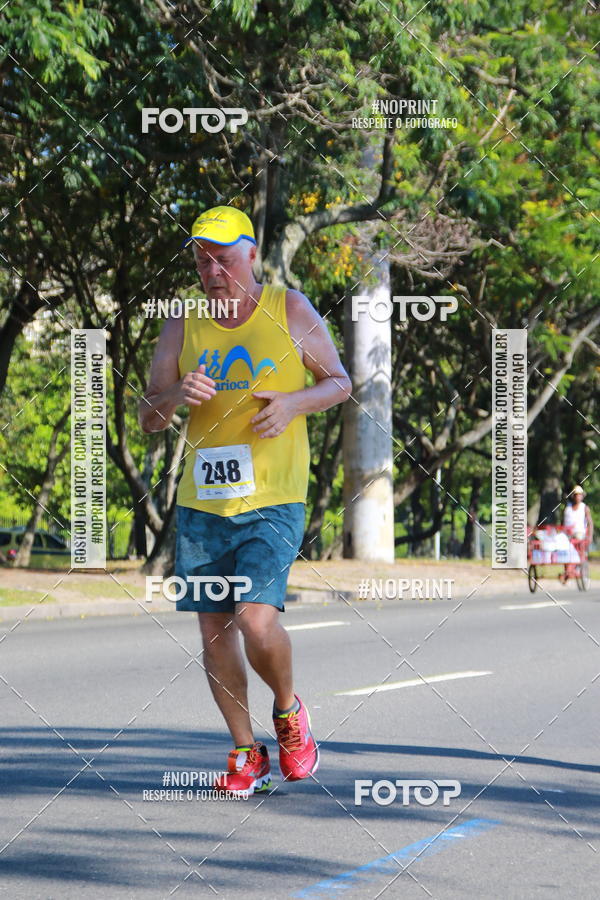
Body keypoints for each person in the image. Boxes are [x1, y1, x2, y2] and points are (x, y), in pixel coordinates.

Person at [139, 206, 351, 795]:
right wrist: (177, 393)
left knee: (256, 621)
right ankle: (243, 751)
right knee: (214, 630)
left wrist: (292, 404)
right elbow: (147, 417)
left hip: (275, 498)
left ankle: (288, 713)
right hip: (203, 501)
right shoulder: (183, 323)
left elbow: (340, 382)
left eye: (224, 259)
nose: (213, 271)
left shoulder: (290, 309)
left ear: (251, 256)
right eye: (203, 259)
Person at [559, 485, 593, 583]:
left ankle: (578, 569)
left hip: (579, 534)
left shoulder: (584, 508)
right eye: (576, 495)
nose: (578, 497)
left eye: (579, 495)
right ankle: (567, 572)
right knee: (563, 549)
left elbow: (590, 523)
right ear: (573, 496)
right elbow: (562, 522)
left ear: (582, 496)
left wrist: (589, 536)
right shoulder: (567, 508)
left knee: (578, 547)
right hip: (567, 534)